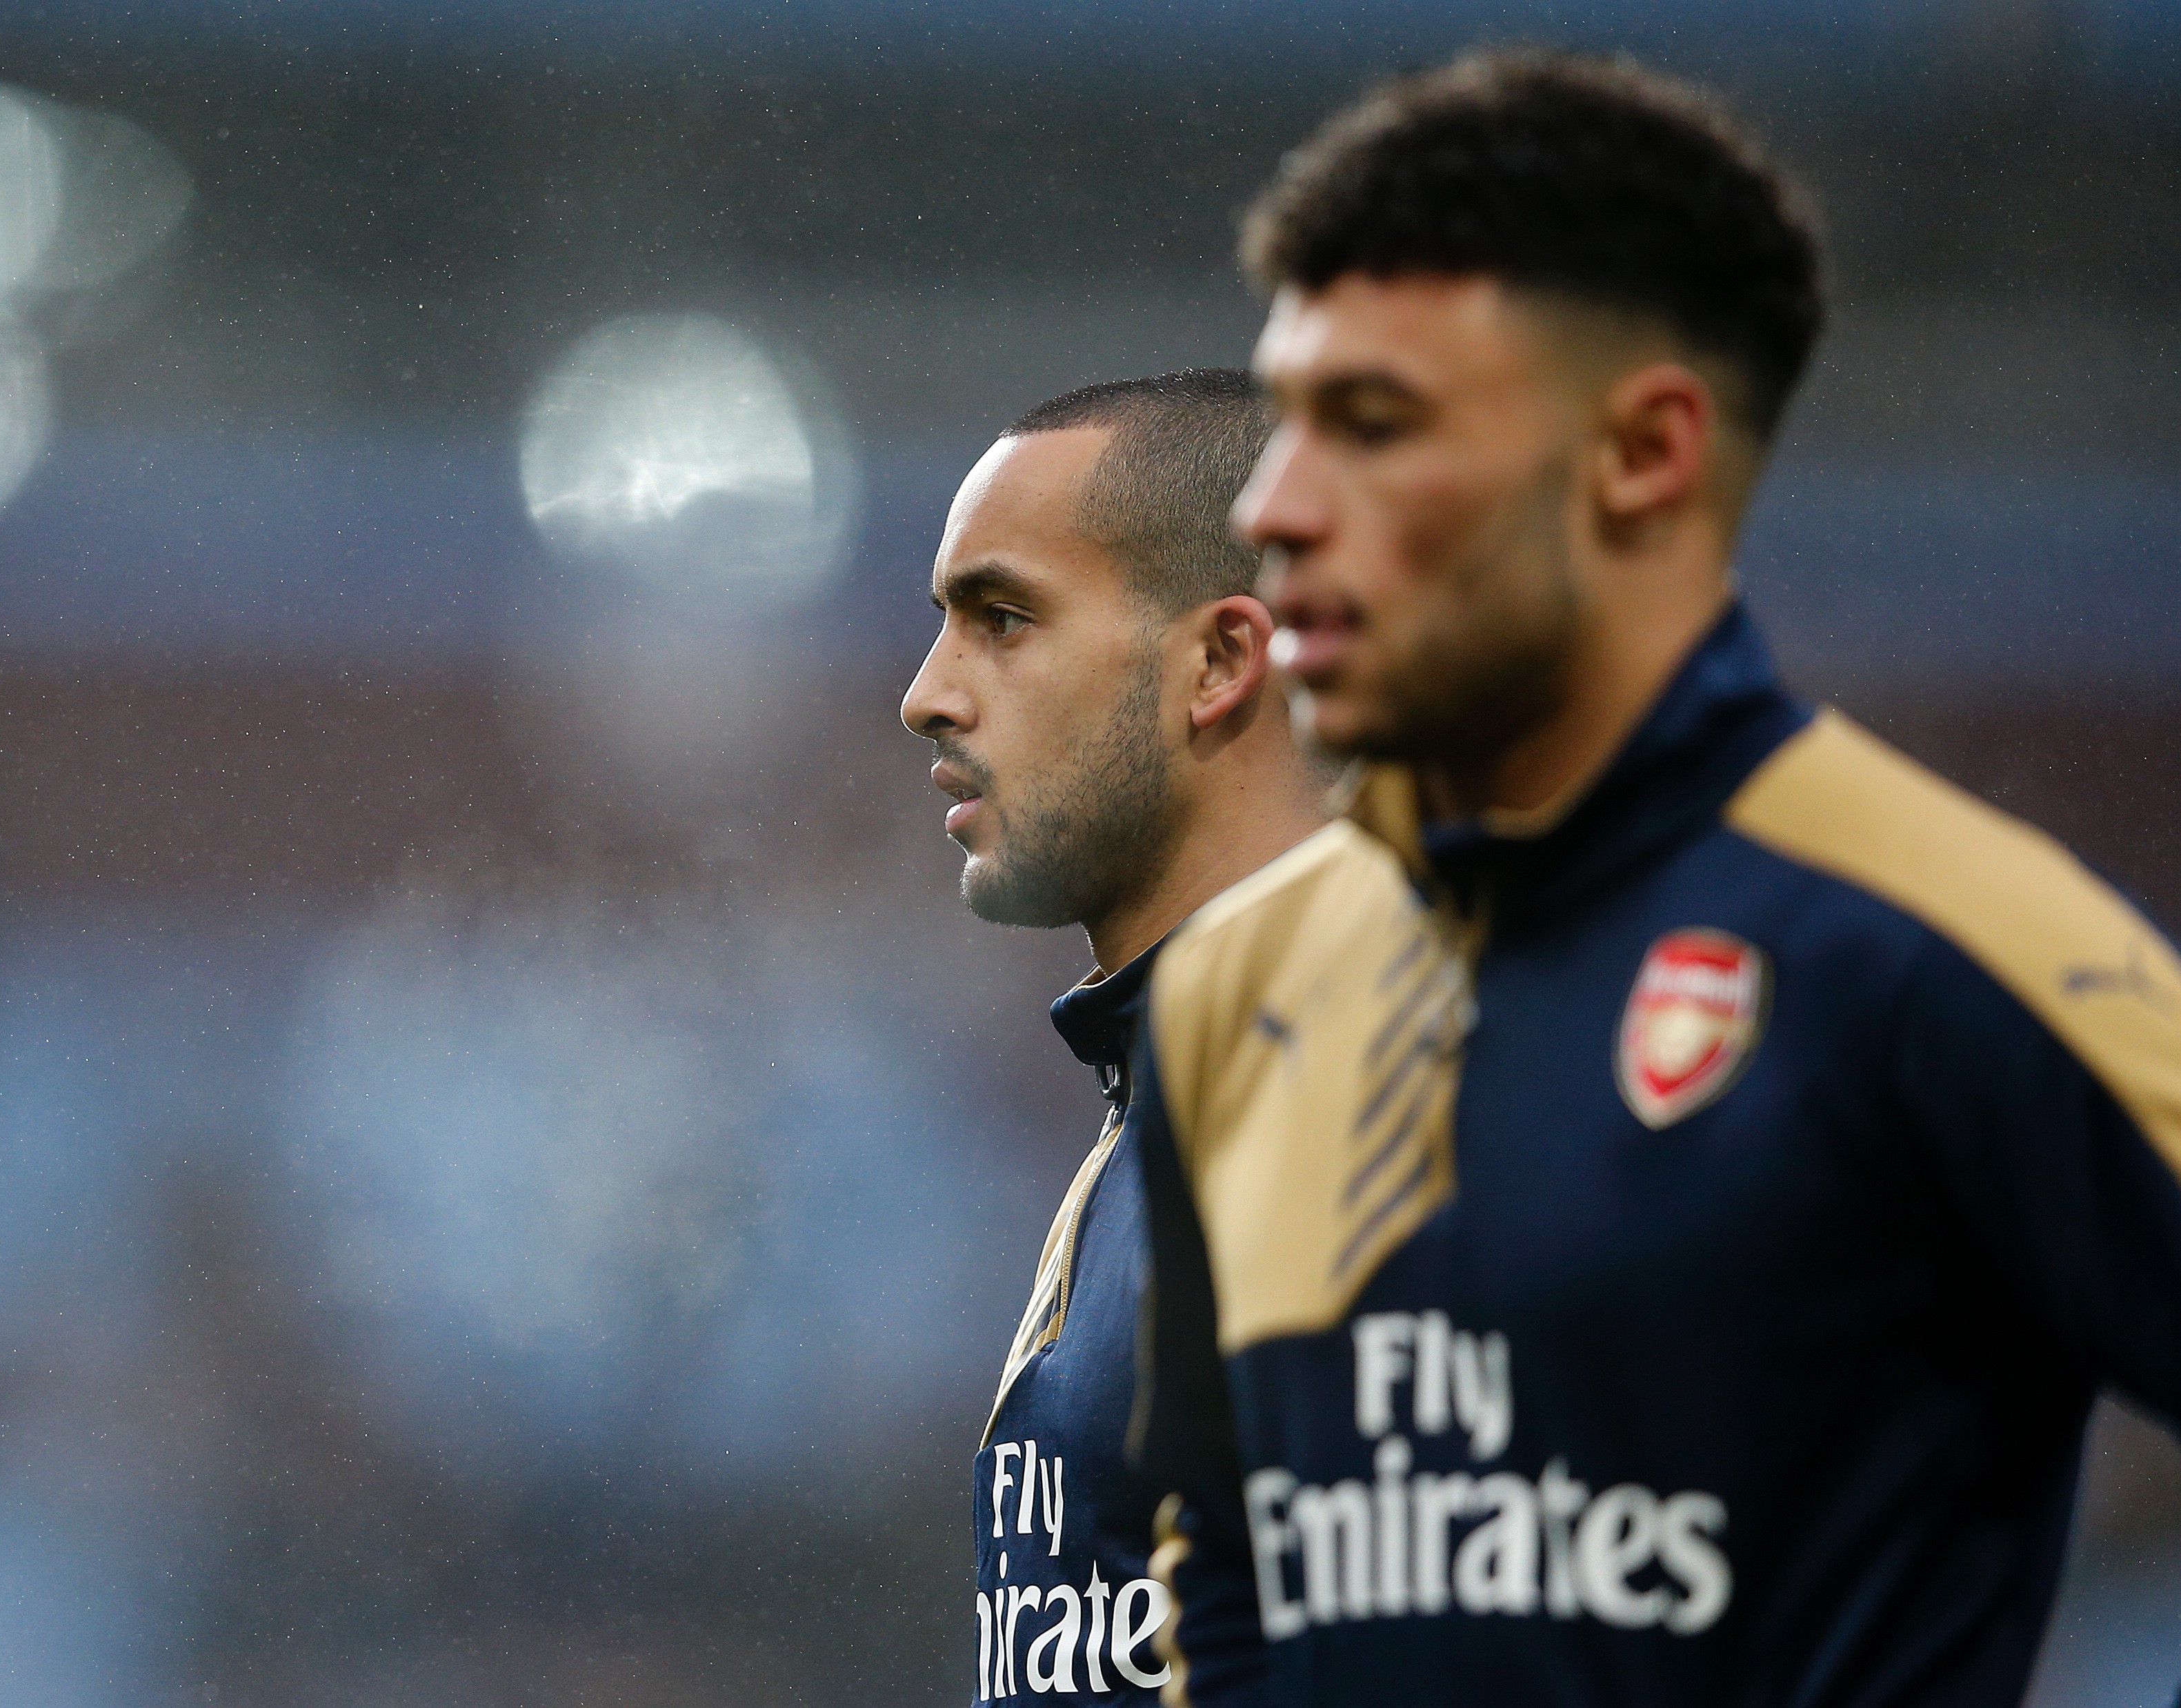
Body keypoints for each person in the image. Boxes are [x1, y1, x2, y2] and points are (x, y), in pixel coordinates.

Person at [1126, 49, 2181, 1706]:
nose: (1273, 505)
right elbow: (1229, 1587)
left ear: (1644, 454)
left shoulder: (1950, 944)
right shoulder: (1233, 992)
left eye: (1372, 423)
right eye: (1285, 419)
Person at [899, 370, 1332, 1706]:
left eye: (1004, 617)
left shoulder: (1387, 1108)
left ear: (1218, 661)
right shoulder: (1166, 1100)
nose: (927, 695)